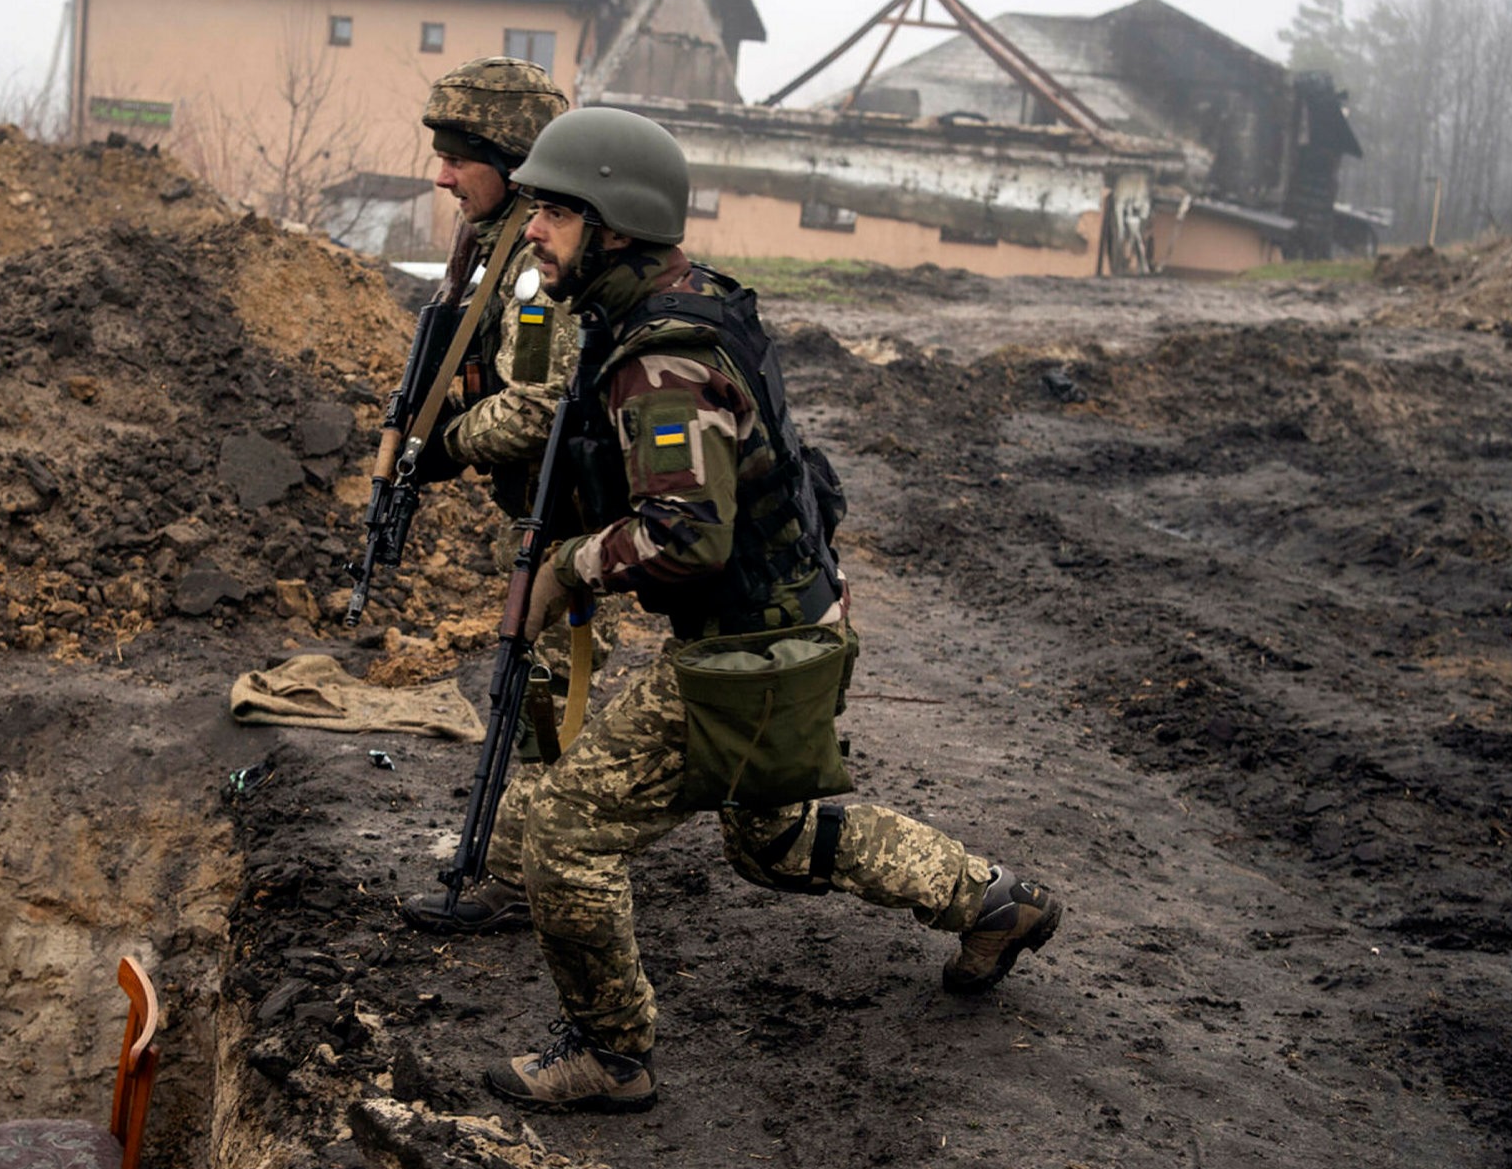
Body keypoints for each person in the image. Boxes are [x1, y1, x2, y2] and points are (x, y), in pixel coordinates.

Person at [470, 106, 1065, 1113]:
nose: (533, 231)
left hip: (752, 641)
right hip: (792, 620)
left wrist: (570, 565)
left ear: (614, 222)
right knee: (773, 833)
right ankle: (993, 902)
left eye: (557, 213)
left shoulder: (661, 361)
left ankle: (611, 1055)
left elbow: (684, 538)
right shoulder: (674, 306)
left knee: (566, 836)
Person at [395, 57, 603, 935]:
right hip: (546, 506)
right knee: (533, 685)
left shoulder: (536, 260)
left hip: (574, 512)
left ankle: (523, 874)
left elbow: (544, 400)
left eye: (460, 156)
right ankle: (518, 859)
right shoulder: (493, 250)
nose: (441, 174)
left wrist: (445, 444)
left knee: (540, 689)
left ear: (514, 161)